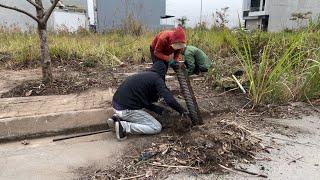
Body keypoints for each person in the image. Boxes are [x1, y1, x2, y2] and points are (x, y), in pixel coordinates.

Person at [108, 61, 188, 141]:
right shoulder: (157, 79)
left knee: (141, 112)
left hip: (116, 105)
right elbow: (169, 100)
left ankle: (117, 118)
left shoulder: (144, 76)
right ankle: (124, 126)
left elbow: (141, 100)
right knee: (156, 127)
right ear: (163, 72)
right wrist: (182, 111)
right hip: (126, 109)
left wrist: (156, 109)